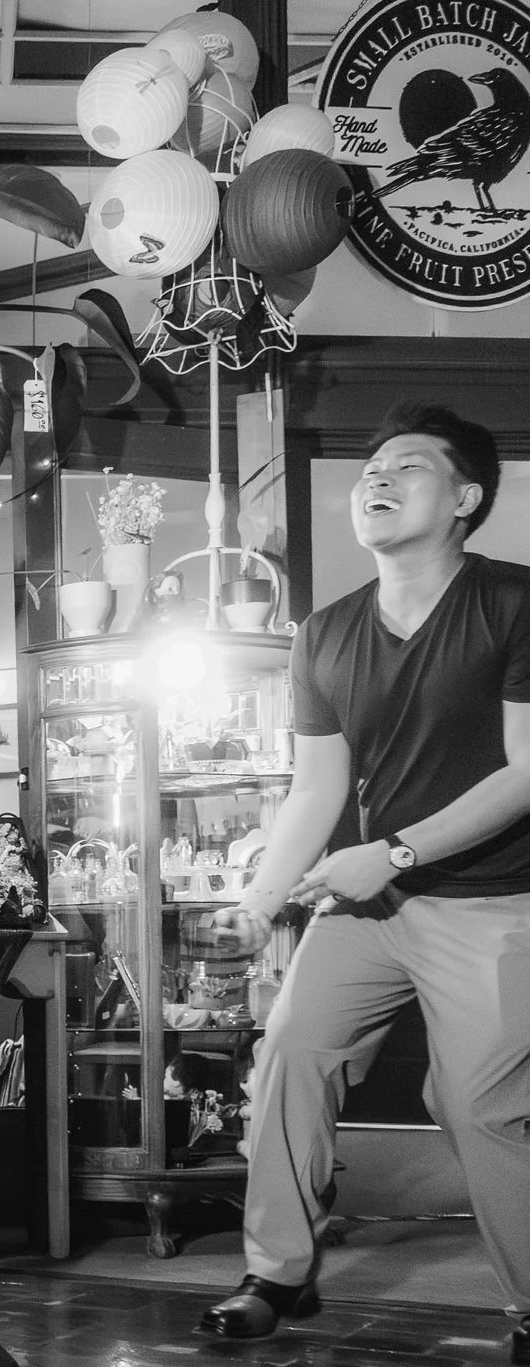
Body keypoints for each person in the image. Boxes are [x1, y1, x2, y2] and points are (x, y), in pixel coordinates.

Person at [199, 405, 530, 1363]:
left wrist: (392, 853)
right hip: (365, 906)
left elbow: (525, 769)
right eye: (370, 466)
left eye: (410, 466)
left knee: (480, 1106)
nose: (377, 479)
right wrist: (261, 901)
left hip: (493, 898)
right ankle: (276, 1273)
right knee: (290, 1056)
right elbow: (318, 787)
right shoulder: (326, 633)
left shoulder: (513, 604)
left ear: (465, 499)